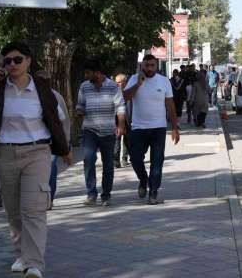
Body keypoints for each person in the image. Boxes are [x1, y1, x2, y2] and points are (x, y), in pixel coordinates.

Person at [0, 42, 72, 278]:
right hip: (4, 154)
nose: (12, 64)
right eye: (7, 61)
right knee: (13, 211)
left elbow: (57, 120)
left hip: (37, 152)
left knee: (33, 209)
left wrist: (64, 149)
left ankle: (34, 263)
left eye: (17, 60)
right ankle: (22, 255)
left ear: (28, 61)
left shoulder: (42, 89)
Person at [123, 54, 180, 205]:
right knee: (135, 159)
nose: (149, 68)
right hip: (138, 128)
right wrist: (138, 85)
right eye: (146, 65)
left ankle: (153, 191)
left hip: (158, 128)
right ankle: (143, 180)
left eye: (152, 65)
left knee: (157, 161)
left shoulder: (163, 81)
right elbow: (124, 98)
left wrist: (175, 127)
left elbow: (170, 104)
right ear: (142, 66)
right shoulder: (134, 79)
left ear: (156, 66)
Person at [76, 59, 126, 207]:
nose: (85, 76)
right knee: (89, 160)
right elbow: (80, 105)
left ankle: (106, 195)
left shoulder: (112, 87)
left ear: (97, 72)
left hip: (108, 131)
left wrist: (121, 126)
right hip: (89, 130)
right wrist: (79, 113)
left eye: (88, 73)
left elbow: (120, 107)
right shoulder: (84, 86)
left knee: (108, 164)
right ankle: (91, 193)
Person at [34, 70, 71, 210]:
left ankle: (50, 198)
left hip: (52, 141)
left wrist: (65, 142)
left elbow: (64, 120)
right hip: (35, 142)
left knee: (51, 169)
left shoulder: (55, 96)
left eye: (45, 80)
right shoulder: (30, 96)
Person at [114, 74, 132, 168]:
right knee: (117, 140)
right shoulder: (113, 93)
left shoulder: (130, 92)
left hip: (128, 120)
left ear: (125, 82)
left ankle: (125, 159)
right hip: (116, 120)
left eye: (121, 82)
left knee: (127, 140)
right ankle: (116, 160)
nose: (119, 84)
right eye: (117, 82)